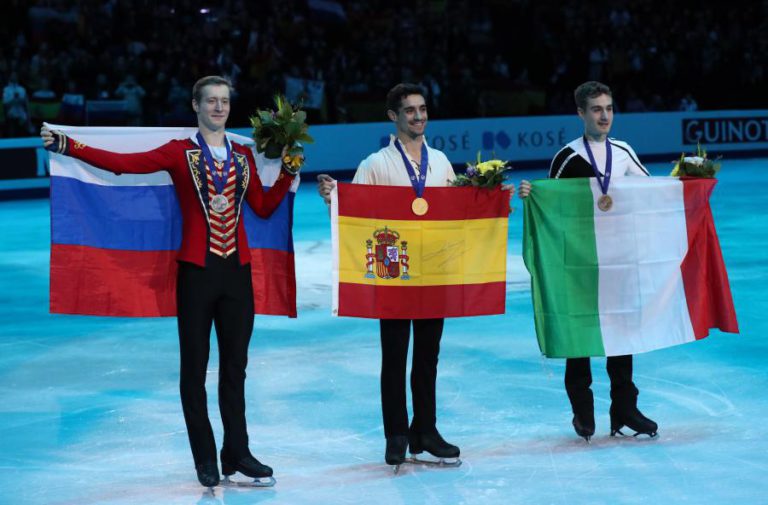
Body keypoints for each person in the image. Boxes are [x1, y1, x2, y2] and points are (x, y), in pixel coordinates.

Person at [41, 75, 299, 488]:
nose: (219, 108)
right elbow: (124, 165)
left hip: (237, 275)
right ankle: (205, 458)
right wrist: (70, 146)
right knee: (193, 371)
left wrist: (287, 172)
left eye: (224, 101)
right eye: (211, 101)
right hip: (196, 274)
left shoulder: (246, 157)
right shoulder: (180, 153)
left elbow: (265, 208)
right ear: (195, 106)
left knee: (236, 369)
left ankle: (237, 452)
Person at [317, 83, 513, 469]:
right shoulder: (375, 164)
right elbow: (355, 217)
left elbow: (456, 212)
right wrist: (334, 200)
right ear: (393, 116)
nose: (418, 116)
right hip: (394, 273)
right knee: (394, 356)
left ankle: (426, 431)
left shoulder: (440, 161)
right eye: (410, 111)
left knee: (428, 357)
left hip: (433, 272)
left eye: (422, 109)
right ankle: (396, 435)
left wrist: (491, 203)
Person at [518, 81, 658, 442]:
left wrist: (687, 184)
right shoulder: (567, 157)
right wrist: (532, 196)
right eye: (596, 109)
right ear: (581, 113)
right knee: (579, 334)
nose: (605, 115)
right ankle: (582, 409)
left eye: (609, 108)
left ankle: (624, 410)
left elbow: (651, 194)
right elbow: (553, 207)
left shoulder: (624, 152)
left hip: (619, 261)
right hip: (580, 264)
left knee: (621, 334)